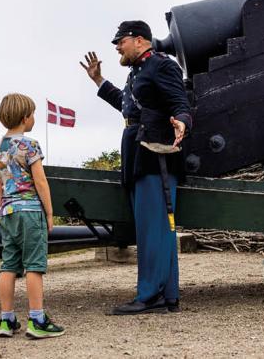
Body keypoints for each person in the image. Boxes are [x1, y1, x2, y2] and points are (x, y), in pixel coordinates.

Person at [80, 20, 192, 315]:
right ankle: (167, 296)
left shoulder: (161, 65)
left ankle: (150, 296)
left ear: (140, 40)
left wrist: (182, 120)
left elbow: (180, 101)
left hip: (155, 155)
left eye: (121, 41)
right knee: (153, 227)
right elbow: (128, 107)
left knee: (153, 228)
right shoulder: (139, 71)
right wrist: (99, 82)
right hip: (139, 153)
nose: (117, 46)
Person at [0, 93, 65, 339]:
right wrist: (50, 212)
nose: (34, 118)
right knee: (34, 265)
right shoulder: (29, 145)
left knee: (9, 265)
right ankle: (37, 319)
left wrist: (3, 210)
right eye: (33, 114)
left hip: (7, 212)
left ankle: (6, 319)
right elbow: (40, 182)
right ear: (25, 118)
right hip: (31, 211)